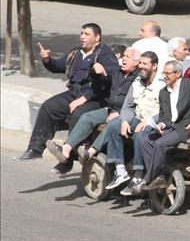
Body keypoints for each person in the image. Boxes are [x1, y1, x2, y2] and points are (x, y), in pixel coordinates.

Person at [15, 23, 118, 173]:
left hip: (96, 98)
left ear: (97, 37)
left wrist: (99, 76)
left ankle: (67, 160)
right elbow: (58, 66)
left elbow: (110, 80)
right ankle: (35, 149)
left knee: (77, 114)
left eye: (87, 34)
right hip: (74, 93)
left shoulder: (104, 53)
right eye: (81, 33)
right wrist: (47, 60)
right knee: (48, 107)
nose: (82, 36)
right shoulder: (76, 52)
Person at [46, 47, 141, 170]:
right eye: (124, 57)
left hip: (126, 114)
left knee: (112, 125)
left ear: (136, 62)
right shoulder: (117, 71)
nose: (123, 60)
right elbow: (104, 75)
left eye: (127, 57)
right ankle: (66, 150)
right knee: (87, 117)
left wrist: (119, 113)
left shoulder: (138, 78)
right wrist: (96, 68)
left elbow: (135, 102)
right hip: (110, 109)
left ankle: (89, 153)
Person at [139, 60, 190, 191]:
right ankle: (159, 176)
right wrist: (161, 124)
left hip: (187, 127)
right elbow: (164, 116)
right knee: (145, 140)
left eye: (167, 73)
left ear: (178, 74)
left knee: (160, 144)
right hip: (171, 127)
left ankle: (146, 179)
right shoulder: (163, 92)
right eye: (163, 73)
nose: (164, 76)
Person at [103, 51, 165, 194]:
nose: (141, 66)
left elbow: (165, 111)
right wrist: (125, 121)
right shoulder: (136, 82)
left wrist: (148, 121)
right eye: (140, 63)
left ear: (154, 66)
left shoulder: (161, 84)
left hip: (154, 120)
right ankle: (120, 171)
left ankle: (138, 175)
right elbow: (128, 105)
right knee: (113, 126)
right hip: (137, 117)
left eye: (145, 64)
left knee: (139, 134)